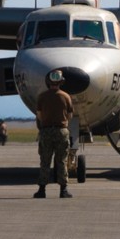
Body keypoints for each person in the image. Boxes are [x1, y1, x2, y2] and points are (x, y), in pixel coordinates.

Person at [33, 69, 75, 198]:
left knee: (45, 160)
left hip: (46, 131)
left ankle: (42, 190)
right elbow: (70, 115)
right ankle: (63, 190)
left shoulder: (42, 96)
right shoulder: (66, 96)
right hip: (61, 131)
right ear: (61, 82)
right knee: (61, 160)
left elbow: (39, 115)